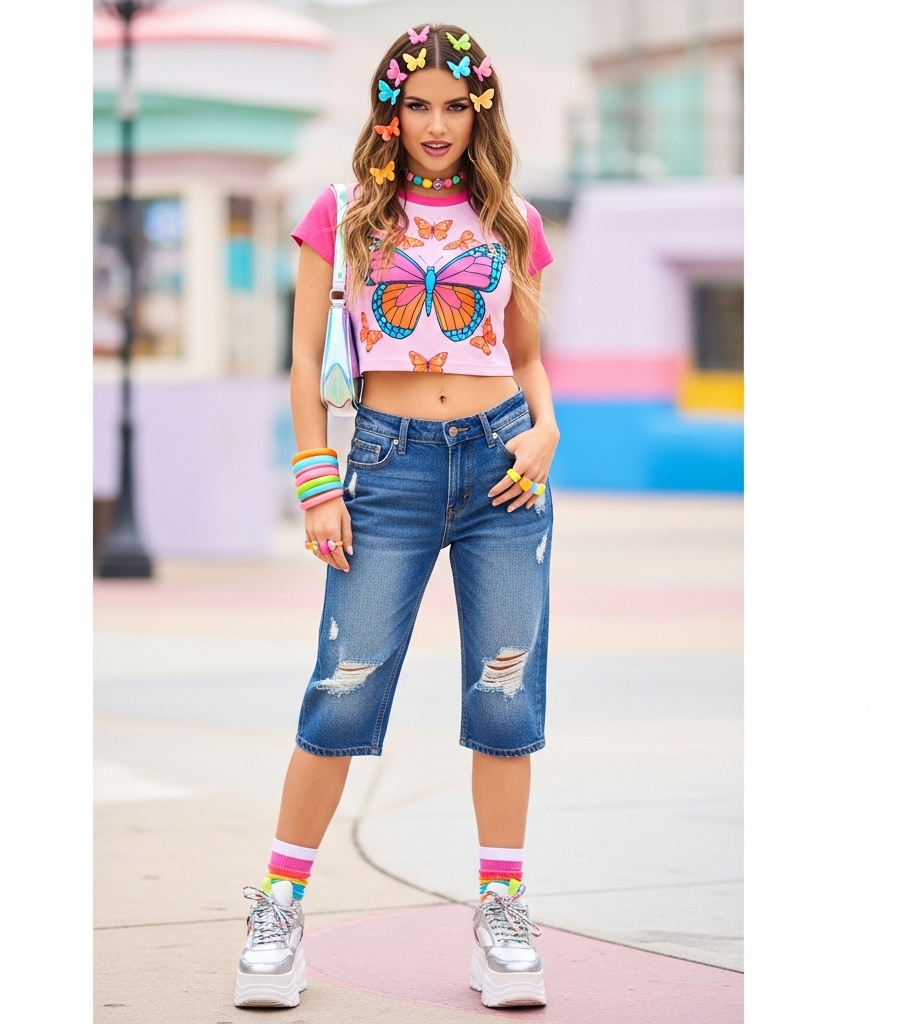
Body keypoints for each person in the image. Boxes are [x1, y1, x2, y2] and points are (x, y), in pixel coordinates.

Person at [234, 23, 559, 1011]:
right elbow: (299, 361)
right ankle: (278, 908)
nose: (435, 124)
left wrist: (546, 432)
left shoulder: (511, 219)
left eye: (455, 105)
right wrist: (316, 478)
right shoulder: (339, 215)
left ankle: (499, 912)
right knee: (343, 687)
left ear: (481, 113)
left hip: (505, 467)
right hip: (385, 462)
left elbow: (530, 354)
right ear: (389, 108)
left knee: (504, 700)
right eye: (417, 104)